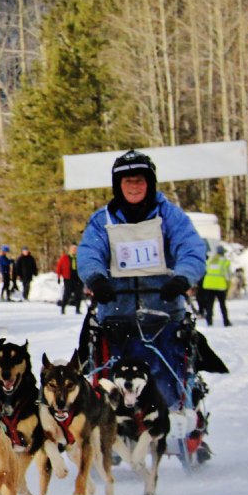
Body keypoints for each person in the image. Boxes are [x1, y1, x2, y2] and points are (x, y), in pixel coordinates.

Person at [77, 150, 210, 455]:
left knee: (166, 375)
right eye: (127, 181)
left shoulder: (171, 217)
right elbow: (89, 254)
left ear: (150, 183)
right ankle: (111, 428)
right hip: (116, 315)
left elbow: (190, 249)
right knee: (110, 376)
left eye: (139, 181)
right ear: (117, 185)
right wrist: (96, 279)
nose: (134, 187)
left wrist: (183, 277)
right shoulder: (102, 221)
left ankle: (180, 424)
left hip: (163, 313)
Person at [199, 245, 233, 327]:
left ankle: (209, 321)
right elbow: (228, 276)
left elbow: (203, 271)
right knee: (222, 305)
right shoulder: (225, 262)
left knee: (209, 305)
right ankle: (226, 321)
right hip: (220, 286)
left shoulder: (210, 261)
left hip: (208, 285)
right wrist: (228, 286)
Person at [55, 244, 83, 314]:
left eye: (75, 248)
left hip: (78, 278)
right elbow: (59, 267)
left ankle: (78, 309)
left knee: (78, 295)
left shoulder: (80, 257)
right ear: (70, 249)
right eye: (73, 248)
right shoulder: (65, 257)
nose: (74, 250)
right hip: (68, 278)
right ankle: (63, 308)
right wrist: (58, 277)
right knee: (67, 294)